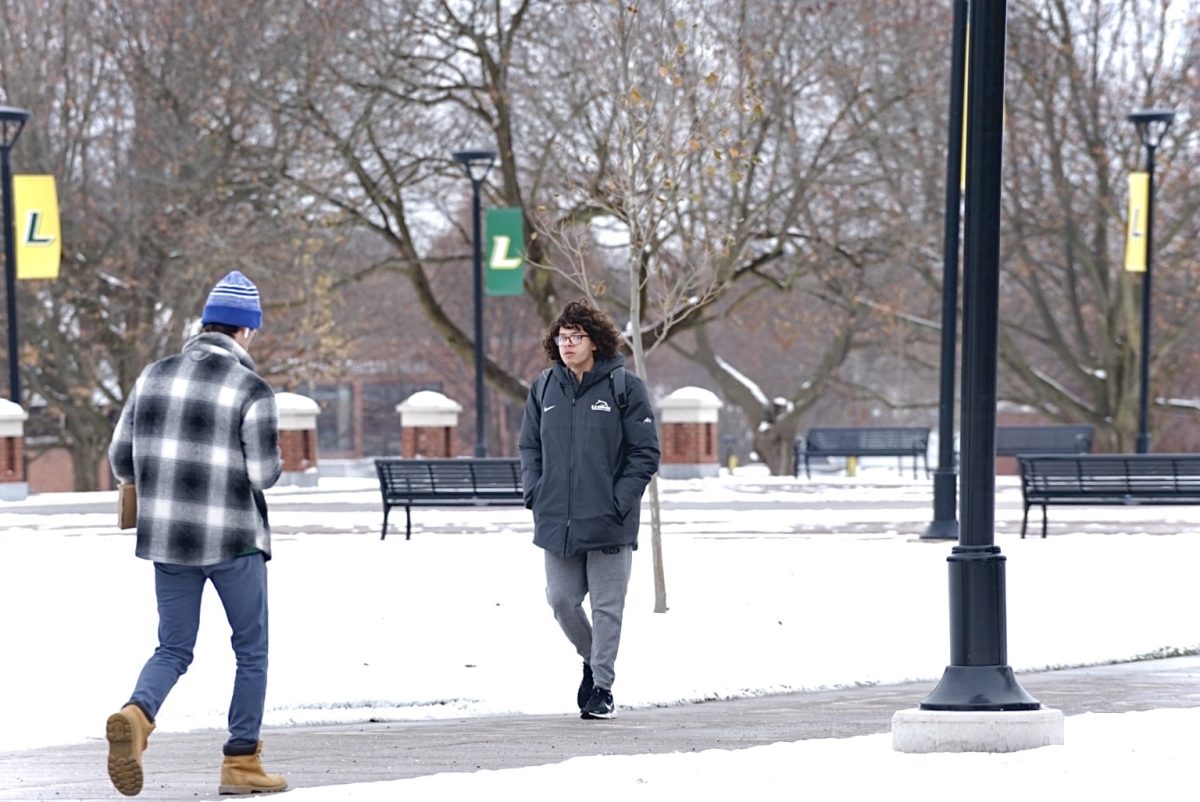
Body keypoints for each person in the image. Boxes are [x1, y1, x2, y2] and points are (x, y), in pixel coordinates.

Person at [106, 270, 287, 797]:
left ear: (204, 324)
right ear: (246, 332)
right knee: (250, 649)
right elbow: (263, 475)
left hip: (169, 542)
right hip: (234, 541)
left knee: (173, 647)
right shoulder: (252, 388)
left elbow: (121, 460)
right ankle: (241, 763)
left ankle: (137, 717)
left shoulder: (153, 376)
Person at [518, 299, 661, 720]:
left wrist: (619, 501)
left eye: (576, 336)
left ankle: (602, 687)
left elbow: (645, 452)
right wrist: (535, 492)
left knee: (606, 607)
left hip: (610, 521)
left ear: (595, 342)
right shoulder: (544, 388)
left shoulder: (624, 387)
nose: (568, 344)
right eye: (562, 337)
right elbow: (530, 446)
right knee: (561, 601)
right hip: (556, 520)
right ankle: (590, 656)